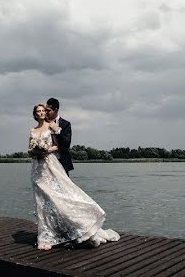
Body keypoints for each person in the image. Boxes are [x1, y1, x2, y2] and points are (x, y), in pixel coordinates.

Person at [29, 103, 119, 250]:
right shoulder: (32, 130)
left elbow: (58, 145)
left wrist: (45, 150)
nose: (41, 113)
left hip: (50, 164)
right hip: (36, 168)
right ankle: (46, 234)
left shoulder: (51, 126)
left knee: (61, 196)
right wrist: (34, 151)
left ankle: (77, 224)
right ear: (34, 114)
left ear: (46, 113)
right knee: (42, 200)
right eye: (38, 111)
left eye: (42, 111)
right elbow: (29, 149)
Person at [45, 97, 73, 175]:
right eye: (45, 110)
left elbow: (67, 144)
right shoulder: (43, 124)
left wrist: (57, 130)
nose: (46, 112)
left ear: (56, 110)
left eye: (49, 110)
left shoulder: (66, 124)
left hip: (62, 163)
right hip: (46, 163)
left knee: (64, 187)